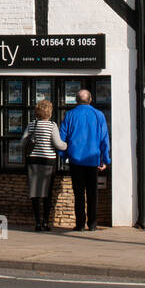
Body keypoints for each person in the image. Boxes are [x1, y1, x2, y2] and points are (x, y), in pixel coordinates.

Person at [59, 89, 110, 231]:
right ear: (90, 99)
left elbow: (62, 138)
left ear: (76, 100)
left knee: (79, 194)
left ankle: (80, 224)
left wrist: (65, 156)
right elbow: (104, 139)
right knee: (93, 194)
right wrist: (105, 159)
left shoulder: (70, 115)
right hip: (93, 159)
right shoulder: (98, 115)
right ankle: (92, 223)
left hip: (76, 161)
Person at [20, 100, 66, 232]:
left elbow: (22, 142)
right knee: (47, 193)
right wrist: (66, 145)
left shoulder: (31, 125)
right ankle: (46, 222)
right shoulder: (52, 125)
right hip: (48, 161)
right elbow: (58, 144)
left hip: (33, 161)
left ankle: (37, 223)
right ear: (49, 112)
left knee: (35, 193)